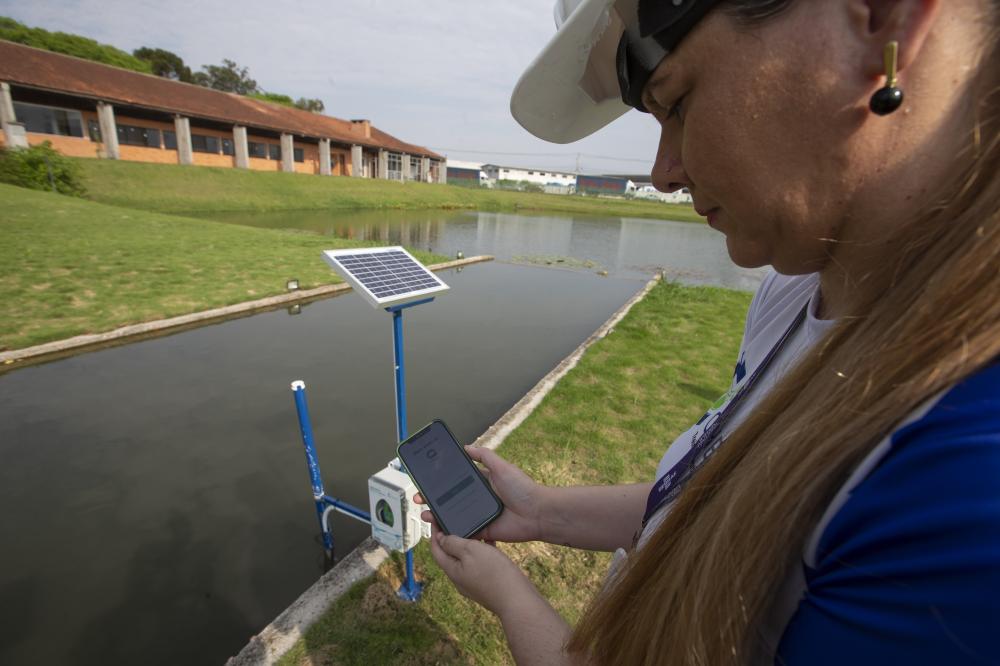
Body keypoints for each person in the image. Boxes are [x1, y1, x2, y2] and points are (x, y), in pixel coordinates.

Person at [416, 0, 1000, 663]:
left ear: (881, 18)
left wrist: (510, 595)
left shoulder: (968, 495)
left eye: (678, 103)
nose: (664, 171)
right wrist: (542, 511)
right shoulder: (797, 292)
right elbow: (724, 507)